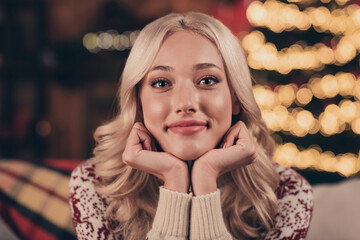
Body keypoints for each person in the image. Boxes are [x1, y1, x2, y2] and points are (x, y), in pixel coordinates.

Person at [69, 12, 313, 240]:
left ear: (236, 97)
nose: (185, 103)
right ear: (139, 102)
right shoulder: (95, 184)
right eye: (162, 83)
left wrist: (206, 177)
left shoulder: (288, 192)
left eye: (207, 80)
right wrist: (174, 180)